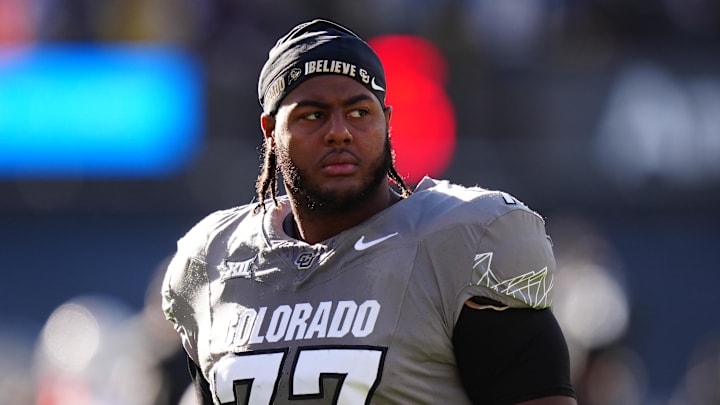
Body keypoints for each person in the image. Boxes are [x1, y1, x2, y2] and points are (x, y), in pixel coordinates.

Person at [162, 18, 577, 405]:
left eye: (359, 112)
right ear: (271, 132)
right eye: (313, 115)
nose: (339, 131)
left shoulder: (464, 240)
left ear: (387, 122)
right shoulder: (213, 261)